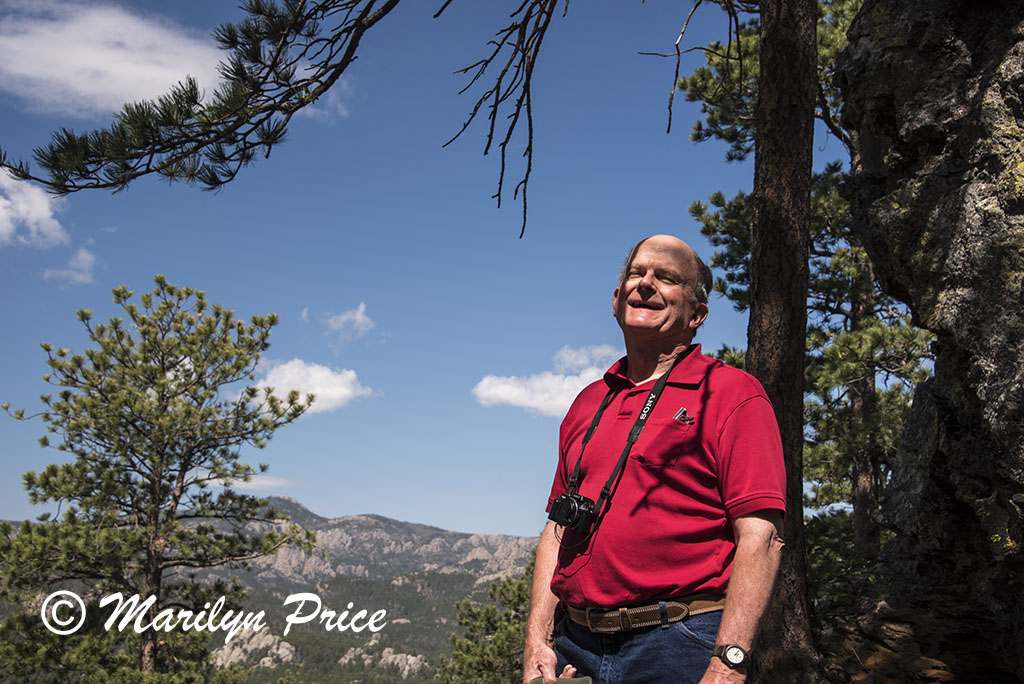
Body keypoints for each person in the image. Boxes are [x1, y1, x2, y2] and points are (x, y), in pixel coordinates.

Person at [523, 235, 786, 684]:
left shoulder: (733, 395)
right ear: (615, 300)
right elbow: (557, 528)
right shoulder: (589, 402)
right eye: (635, 273)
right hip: (576, 647)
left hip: (681, 643)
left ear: (697, 314)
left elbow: (761, 537)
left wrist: (727, 666)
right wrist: (537, 642)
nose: (645, 284)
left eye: (666, 279)